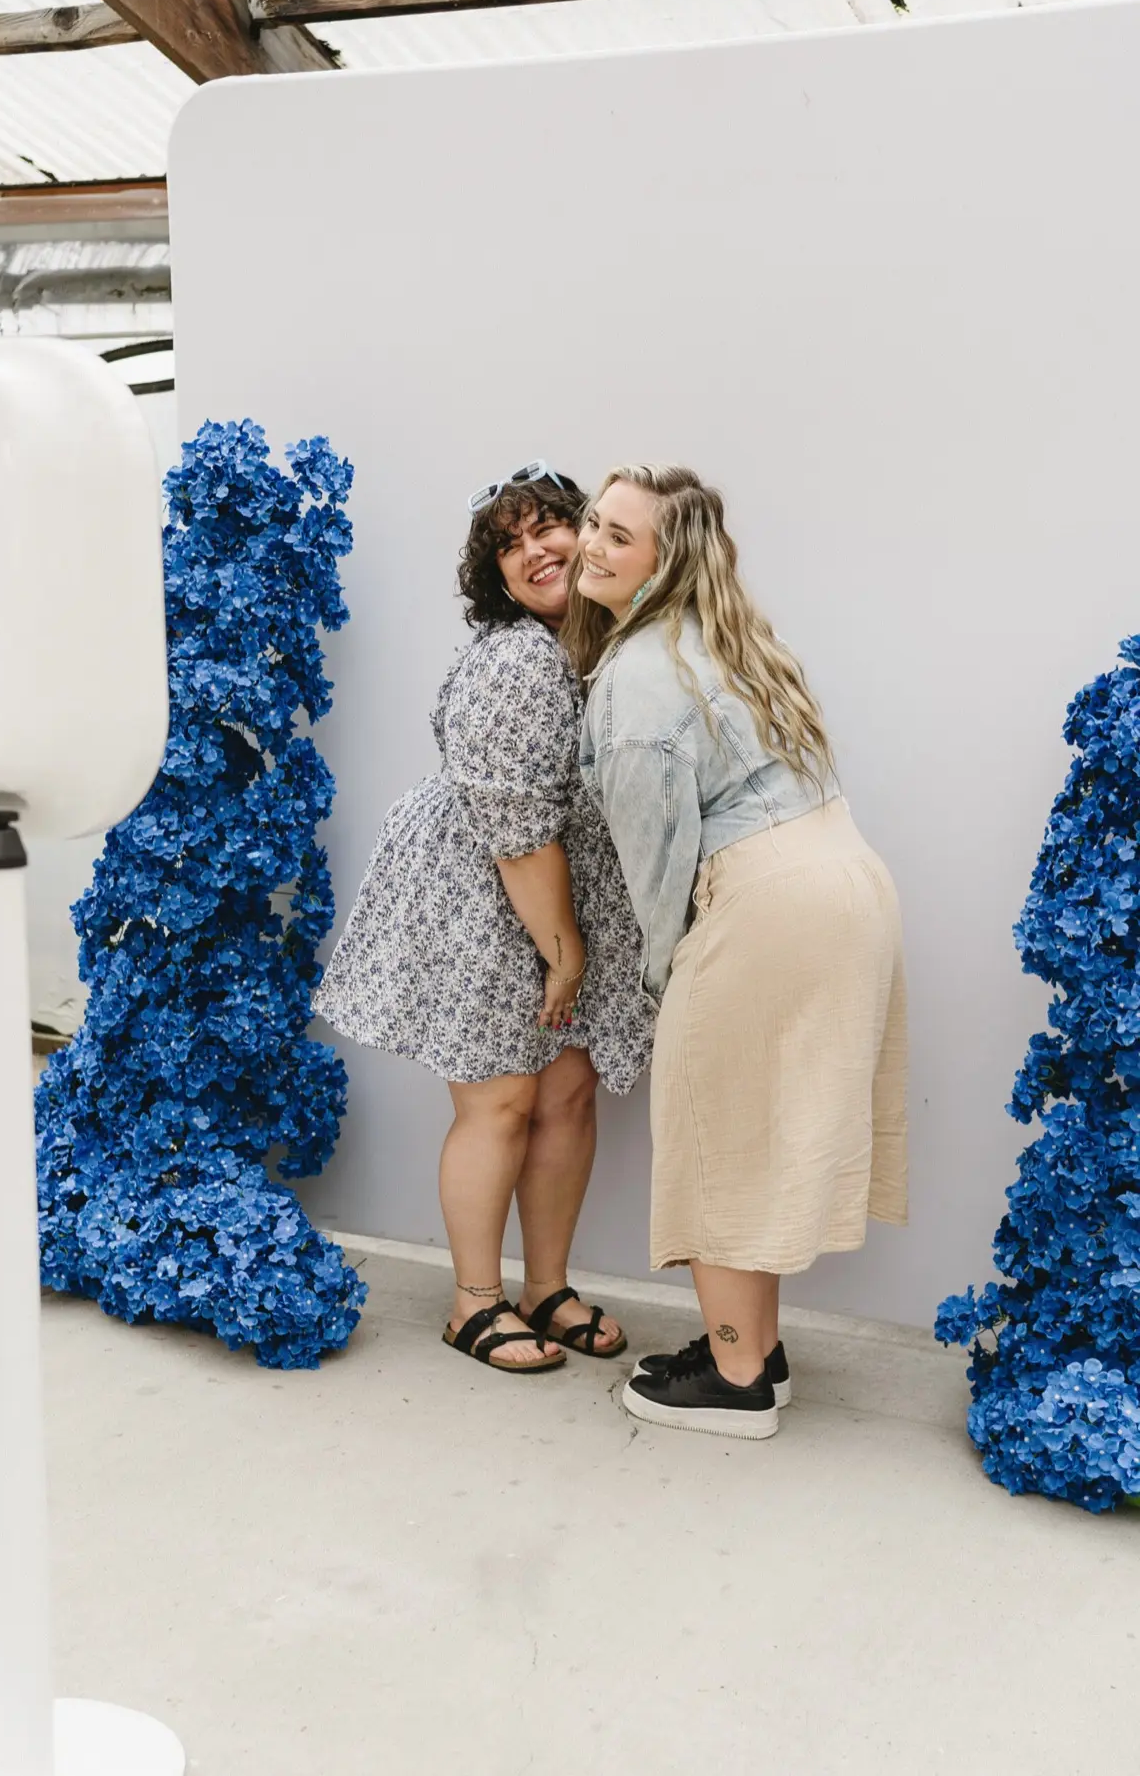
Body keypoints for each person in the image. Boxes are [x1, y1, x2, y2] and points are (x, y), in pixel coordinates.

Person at [564, 464, 907, 1439]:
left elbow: (655, 860)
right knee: (757, 1132)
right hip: (843, 877)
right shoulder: (736, 639)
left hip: (766, 903)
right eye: (593, 521)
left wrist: (672, 980)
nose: (591, 543)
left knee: (715, 1132)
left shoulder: (634, 677)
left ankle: (735, 1378)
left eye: (617, 536)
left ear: (662, 560)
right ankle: (752, 1347)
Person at [316, 462, 653, 1372]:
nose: (535, 551)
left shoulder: (606, 644)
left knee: (568, 1092)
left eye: (550, 528)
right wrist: (564, 947)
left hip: (562, 890)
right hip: (488, 892)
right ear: (495, 576)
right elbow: (514, 828)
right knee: (500, 1097)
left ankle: (545, 1287)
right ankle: (473, 1301)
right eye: (510, 544)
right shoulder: (517, 658)